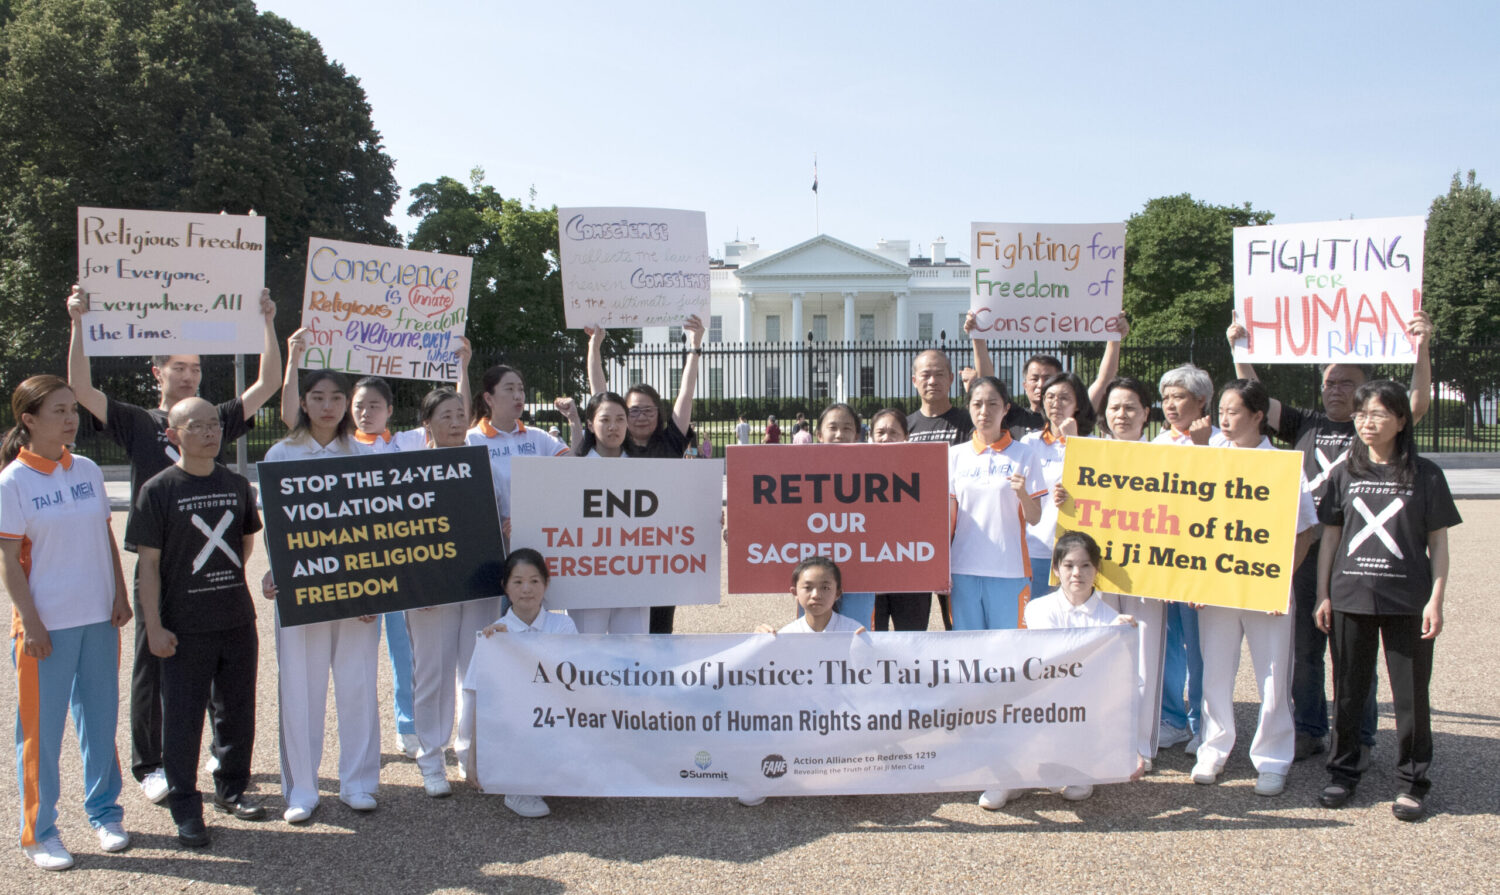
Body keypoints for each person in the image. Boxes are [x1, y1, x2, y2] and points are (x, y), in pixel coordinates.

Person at [66, 286, 281, 804]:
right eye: (178, 367)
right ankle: (152, 763)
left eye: (196, 368)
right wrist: (78, 322)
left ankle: (216, 755)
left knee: (216, 662)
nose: (188, 374)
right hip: (161, 564)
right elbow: (79, 386)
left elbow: (268, 382)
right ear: (157, 372)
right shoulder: (139, 422)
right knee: (154, 659)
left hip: (213, 564)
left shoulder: (212, 418)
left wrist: (267, 322)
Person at [1227, 311, 1434, 761]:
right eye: (1329, 382)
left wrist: (1421, 346)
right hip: (1304, 552)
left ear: (1363, 391)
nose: (1334, 389)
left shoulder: (1371, 430)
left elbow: (1415, 403)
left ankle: (1358, 733)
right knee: (1305, 650)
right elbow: (1256, 396)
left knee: (1351, 652)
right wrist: (1240, 346)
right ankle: (1308, 729)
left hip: (1353, 555)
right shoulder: (1305, 422)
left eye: (1345, 383)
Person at [281, 330, 468, 759]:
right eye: (360, 405)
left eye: (374, 405)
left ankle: (410, 725)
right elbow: (292, 415)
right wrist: (294, 358)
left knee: (407, 651)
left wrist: (460, 368)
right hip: (355, 565)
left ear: (388, 411)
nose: (366, 412)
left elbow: (454, 419)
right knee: (355, 662)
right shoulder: (331, 447)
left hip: (399, 562)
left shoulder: (402, 444)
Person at [1, 376, 132, 870]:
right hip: (46, 628)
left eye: (73, 409)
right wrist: (30, 624)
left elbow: (104, 540)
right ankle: (40, 832)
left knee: (100, 723)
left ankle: (105, 813)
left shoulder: (89, 470)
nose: (71, 418)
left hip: (99, 619)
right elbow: (9, 563)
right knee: (41, 732)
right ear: (29, 420)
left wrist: (119, 595)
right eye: (58, 411)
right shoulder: (13, 481)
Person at [1314, 381, 1459, 822]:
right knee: (1348, 693)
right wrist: (1323, 593)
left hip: (1408, 600)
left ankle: (1413, 782)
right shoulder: (1345, 473)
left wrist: (1436, 599)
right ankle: (1343, 773)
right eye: (1360, 414)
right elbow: (1331, 538)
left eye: (1377, 414)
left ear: (1401, 420)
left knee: (1411, 696)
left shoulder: (1426, 474)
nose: (1366, 422)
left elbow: (1439, 544)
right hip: (1351, 597)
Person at [128, 397, 265, 848]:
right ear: (173, 434)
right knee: (182, 721)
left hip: (235, 618)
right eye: (197, 426)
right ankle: (186, 806)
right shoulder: (158, 490)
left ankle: (231, 788)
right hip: (183, 626)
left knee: (237, 712)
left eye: (214, 425)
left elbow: (245, 543)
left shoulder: (236, 484)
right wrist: (155, 626)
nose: (210, 433)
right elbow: (148, 566)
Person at [263, 368, 381, 823]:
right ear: (303, 403)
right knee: (300, 688)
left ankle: (359, 782)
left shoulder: (363, 452)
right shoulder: (281, 453)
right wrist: (275, 573)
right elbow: (277, 528)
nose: (328, 406)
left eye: (337, 397)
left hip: (357, 593)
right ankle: (302, 790)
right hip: (303, 590)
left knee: (357, 686)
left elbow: (380, 528)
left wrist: (377, 588)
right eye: (318, 396)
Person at [1192, 380, 1317, 797]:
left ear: (1258, 415)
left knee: (1273, 675)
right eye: (1221, 411)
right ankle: (1213, 748)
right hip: (1217, 586)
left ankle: (1273, 758)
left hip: (1266, 588)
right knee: (1215, 671)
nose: (1224, 419)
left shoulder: (1282, 464)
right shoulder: (1208, 460)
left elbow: (1305, 532)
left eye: (1233, 411)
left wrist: (1281, 581)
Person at [980, 531, 1138, 810]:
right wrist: (1106, 634)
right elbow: (1054, 654)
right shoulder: (1039, 608)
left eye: (1085, 565)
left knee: (1089, 718)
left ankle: (1079, 767)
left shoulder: (1111, 619)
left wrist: (1120, 635)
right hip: (1042, 699)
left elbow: (1120, 679)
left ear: (1096, 569)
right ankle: (1008, 777)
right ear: (1055, 569)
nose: (1077, 573)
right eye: (1068, 565)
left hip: (1084, 705)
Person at [409, 387, 506, 797]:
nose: (453, 422)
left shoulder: (484, 465)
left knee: (478, 673)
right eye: (445, 415)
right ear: (427, 423)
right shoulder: (410, 470)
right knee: (432, 675)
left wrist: (505, 528)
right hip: (431, 594)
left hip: (479, 587)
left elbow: (504, 519)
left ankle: (473, 756)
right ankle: (432, 759)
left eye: (459, 414)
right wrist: (416, 584)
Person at [740, 556, 866, 807]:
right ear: (794, 592)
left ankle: (846, 766)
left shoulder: (854, 632)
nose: (816, 594)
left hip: (841, 718)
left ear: (839, 593)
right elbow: (758, 683)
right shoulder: (785, 635)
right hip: (797, 718)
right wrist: (757, 646)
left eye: (826, 587)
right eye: (807, 587)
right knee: (751, 791)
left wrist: (870, 650)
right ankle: (769, 775)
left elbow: (875, 681)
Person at [1092, 376, 1171, 769]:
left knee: (1145, 662)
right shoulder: (1089, 457)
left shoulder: (1165, 457)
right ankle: (1103, 741)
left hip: (1147, 576)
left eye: (1129, 408)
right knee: (1102, 658)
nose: (1120, 415)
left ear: (1145, 413)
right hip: (1101, 577)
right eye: (1114, 408)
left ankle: (1139, 745)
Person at [469, 548, 577, 819]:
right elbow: (479, 699)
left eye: (534, 581)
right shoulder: (494, 634)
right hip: (516, 729)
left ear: (546, 584)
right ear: (505, 587)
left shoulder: (563, 626)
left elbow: (576, 682)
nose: (526, 589)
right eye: (517, 582)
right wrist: (474, 759)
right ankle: (517, 787)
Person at [1152, 363, 1218, 756]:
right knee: (1170, 644)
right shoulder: (1157, 445)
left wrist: (1204, 447)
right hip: (1163, 561)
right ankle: (1173, 719)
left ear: (1201, 401)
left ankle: (1205, 724)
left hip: (1200, 564)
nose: (1171, 405)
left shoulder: (1221, 442)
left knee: (1202, 646)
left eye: (1179, 397)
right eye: (1166, 398)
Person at [948, 376, 1044, 631]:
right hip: (963, 570)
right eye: (977, 404)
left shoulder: (1024, 454)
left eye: (992, 404)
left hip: (1010, 571)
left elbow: (1035, 518)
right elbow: (948, 521)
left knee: (1009, 652)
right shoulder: (954, 456)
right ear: (969, 407)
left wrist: (1023, 493)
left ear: (1006, 408)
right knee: (968, 654)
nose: (984, 411)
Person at [466, 364, 576, 549]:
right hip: (492, 545)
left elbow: (575, 468)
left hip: (541, 541)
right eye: (509, 389)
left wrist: (574, 420)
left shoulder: (538, 436)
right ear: (488, 398)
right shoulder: (471, 441)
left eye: (521, 389)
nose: (518, 396)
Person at [568, 392, 651, 634]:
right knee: (587, 651)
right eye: (605, 420)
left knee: (632, 654)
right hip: (586, 581)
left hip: (634, 578)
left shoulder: (647, 470)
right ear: (590, 425)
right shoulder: (571, 470)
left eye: (620, 419)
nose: (613, 427)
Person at [966, 311, 1129, 424]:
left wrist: (1114, 338)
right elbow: (988, 382)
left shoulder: (1074, 415)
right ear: (1025, 385)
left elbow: (1103, 380)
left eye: (1048, 378)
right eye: (1034, 378)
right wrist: (977, 338)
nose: (1041, 384)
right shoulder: (1011, 415)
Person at [1020, 373, 1097, 599]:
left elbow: (1092, 487)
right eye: (1050, 397)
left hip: (1077, 549)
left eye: (1064, 398)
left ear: (1078, 404)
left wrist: (1074, 442)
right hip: (1035, 546)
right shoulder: (1029, 442)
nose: (1056, 403)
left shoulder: (1092, 444)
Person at [867, 409, 932, 631]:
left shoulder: (924, 469)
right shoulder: (857, 471)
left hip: (911, 574)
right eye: (880, 432)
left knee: (912, 639)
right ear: (871, 436)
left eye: (893, 432)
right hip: (871, 574)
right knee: (873, 642)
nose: (886, 438)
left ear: (906, 436)